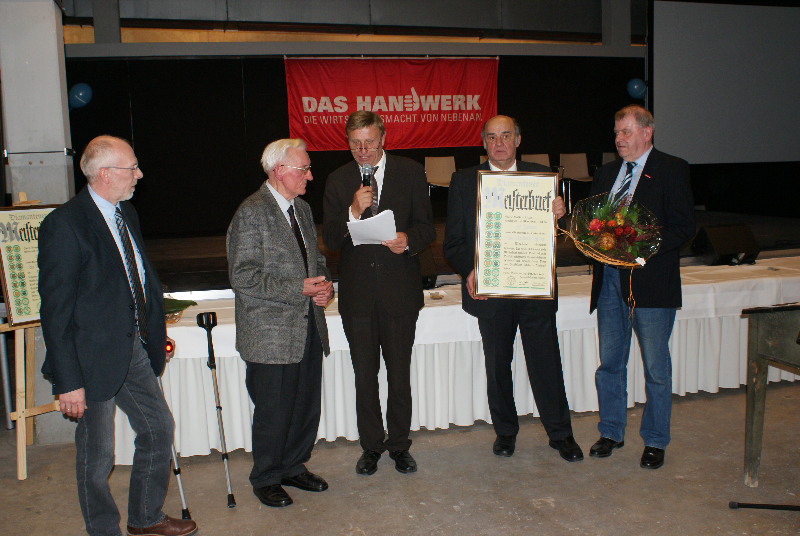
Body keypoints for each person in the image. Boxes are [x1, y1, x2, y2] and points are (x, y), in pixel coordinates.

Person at [38, 135, 196, 536]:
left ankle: (145, 518)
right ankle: (103, 530)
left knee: (158, 428)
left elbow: (136, 280)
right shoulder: (64, 225)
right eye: (132, 167)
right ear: (105, 174)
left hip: (132, 347)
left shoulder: (126, 212)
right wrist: (67, 381)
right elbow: (55, 312)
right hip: (88, 359)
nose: (139, 175)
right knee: (98, 456)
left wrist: (152, 332)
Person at [443, 115, 583, 463]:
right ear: (483, 143)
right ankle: (505, 431)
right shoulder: (464, 180)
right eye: (492, 137)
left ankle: (560, 433)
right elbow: (453, 242)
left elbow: (560, 235)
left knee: (546, 363)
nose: (499, 143)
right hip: (490, 290)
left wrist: (560, 215)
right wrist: (470, 271)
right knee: (497, 366)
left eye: (506, 135)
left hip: (533, 287)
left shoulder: (542, 177)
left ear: (518, 140)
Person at [322, 111, 436, 475]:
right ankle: (371, 446)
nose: (363, 151)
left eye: (369, 142)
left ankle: (399, 445)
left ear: (383, 139)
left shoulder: (410, 172)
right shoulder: (338, 179)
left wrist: (407, 240)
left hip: (399, 291)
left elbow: (427, 228)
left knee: (399, 376)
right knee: (365, 377)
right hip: (358, 296)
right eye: (355, 143)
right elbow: (330, 238)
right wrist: (353, 211)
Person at [227, 138, 333, 507]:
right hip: (270, 334)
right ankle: (266, 477)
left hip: (307, 326)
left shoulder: (301, 209)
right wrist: (298, 288)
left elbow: (315, 260)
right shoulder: (251, 213)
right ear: (279, 171)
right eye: (303, 169)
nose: (310, 176)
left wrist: (324, 285)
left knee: (304, 405)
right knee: (274, 410)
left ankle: (292, 466)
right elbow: (243, 276)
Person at [588, 105, 695, 470]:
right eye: (617, 133)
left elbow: (683, 226)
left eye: (626, 132)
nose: (619, 139)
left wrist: (641, 244)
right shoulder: (605, 173)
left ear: (647, 133)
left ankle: (655, 440)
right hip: (609, 281)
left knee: (656, 369)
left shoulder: (671, 168)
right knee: (610, 364)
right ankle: (611, 432)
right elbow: (594, 222)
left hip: (651, 282)